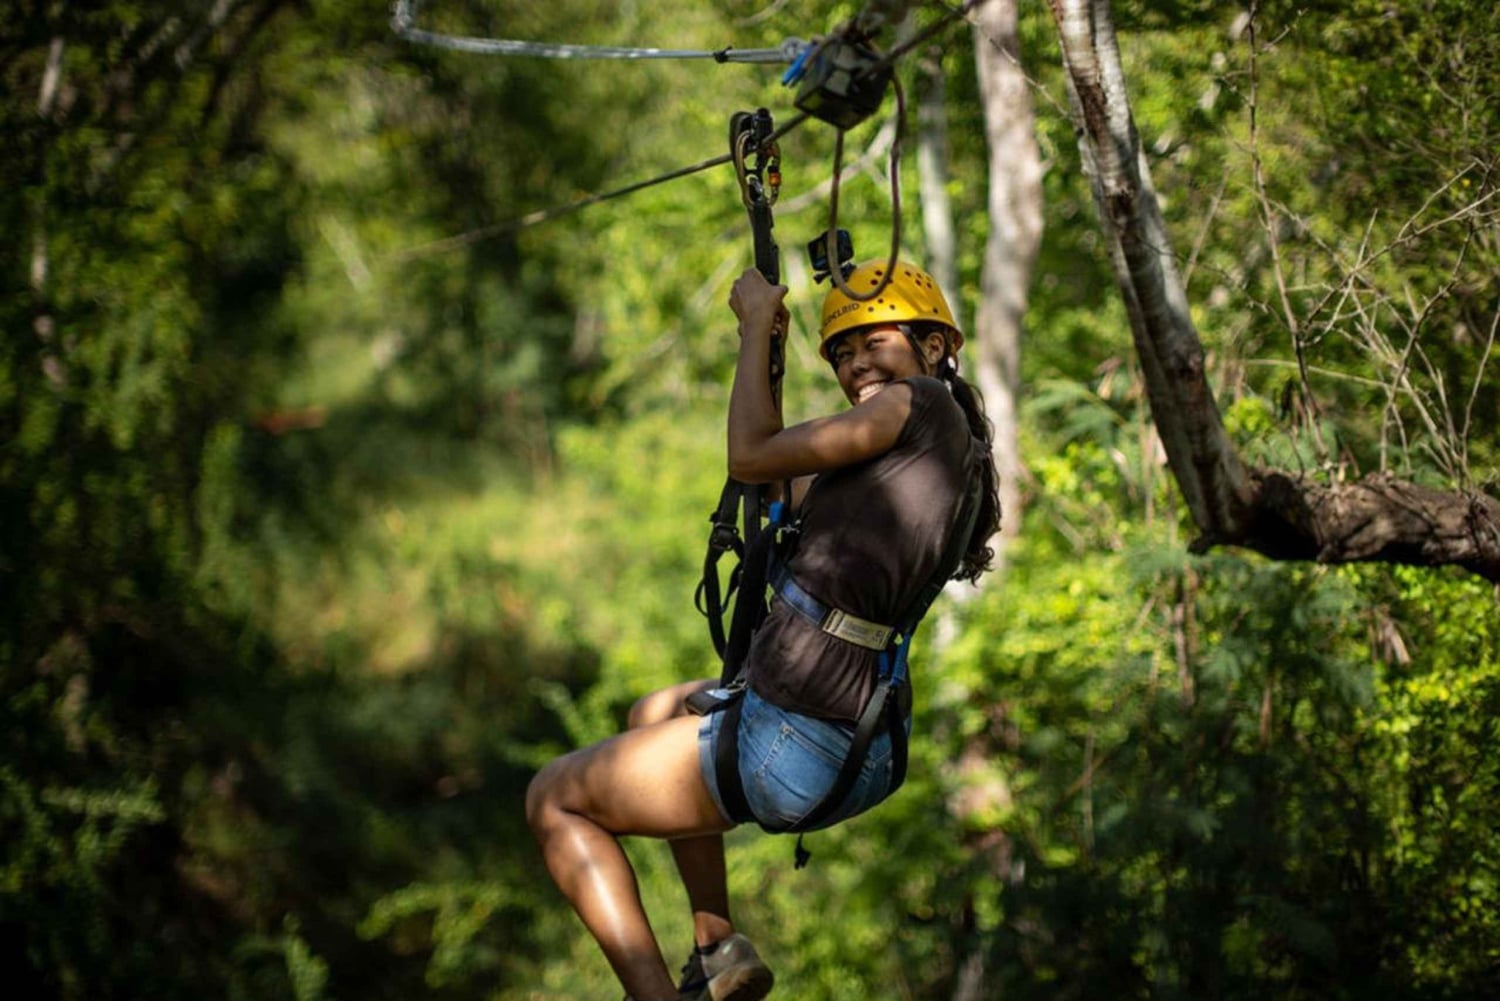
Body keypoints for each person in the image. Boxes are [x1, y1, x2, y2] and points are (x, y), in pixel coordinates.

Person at [526, 259, 1001, 1001]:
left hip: (802, 741)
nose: (854, 364)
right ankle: (717, 949)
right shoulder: (937, 452)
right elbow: (769, 471)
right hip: (863, 742)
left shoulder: (918, 404)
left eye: (872, 339)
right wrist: (766, 352)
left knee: (554, 797)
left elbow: (747, 454)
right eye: (841, 352)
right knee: (653, 711)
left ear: (935, 344)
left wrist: (752, 325)